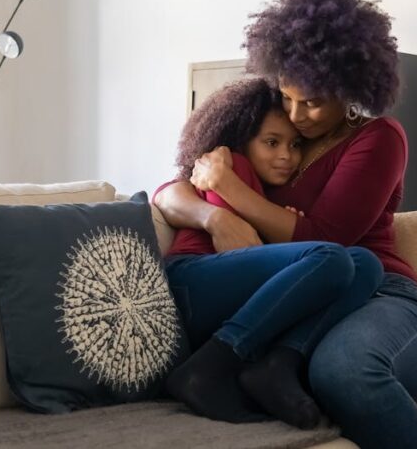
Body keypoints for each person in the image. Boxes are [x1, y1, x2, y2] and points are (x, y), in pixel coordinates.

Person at [155, 0, 417, 448]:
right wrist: (213, 212)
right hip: (300, 303)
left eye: (312, 102)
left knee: (346, 370)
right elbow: (171, 191)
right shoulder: (269, 138)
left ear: (349, 87)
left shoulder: (379, 138)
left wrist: (228, 190)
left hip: (384, 295)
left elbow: (329, 237)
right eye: (287, 97)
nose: (297, 115)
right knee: (300, 368)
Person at [158, 77, 384, 429]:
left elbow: (258, 254)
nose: (286, 156)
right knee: (332, 258)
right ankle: (206, 369)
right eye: (271, 142)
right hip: (193, 280)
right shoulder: (228, 165)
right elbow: (238, 245)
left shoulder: (263, 190)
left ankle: (277, 365)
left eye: (295, 145)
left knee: (365, 263)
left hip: (223, 289)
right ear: (241, 139)